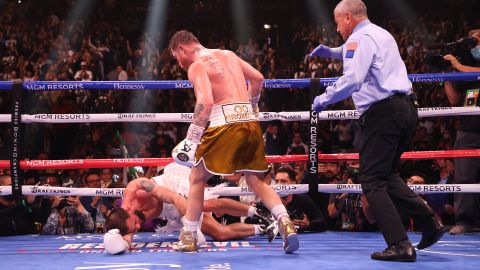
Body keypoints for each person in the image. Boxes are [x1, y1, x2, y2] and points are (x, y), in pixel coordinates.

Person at [310, 0, 444, 262]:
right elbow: (359, 51)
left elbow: (353, 79)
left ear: (348, 17)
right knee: (385, 176)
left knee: (371, 180)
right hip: (404, 111)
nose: (337, 29)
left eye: (337, 22)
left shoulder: (359, 40)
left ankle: (399, 244)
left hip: (383, 114)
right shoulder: (380, 33)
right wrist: (333, 52)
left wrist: (321, 100)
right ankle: (430, 223)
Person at [169, 30, 298, 253]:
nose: (179, 63)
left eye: (176, 57)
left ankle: (189, 236)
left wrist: (191, 139)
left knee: (197, 177)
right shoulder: (228, 54)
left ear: (182, 49)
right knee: (256, 182)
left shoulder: (197, 65)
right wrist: (253, 106)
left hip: (224, 123)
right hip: (250, 123)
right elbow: (258, 79)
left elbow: (206, 102)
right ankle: (286, 222)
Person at [103, 163, 276, 254]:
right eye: (134, 229)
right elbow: (126, 236)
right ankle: (261, 228)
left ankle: (258, 212)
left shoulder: (137, 188)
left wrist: (190, 227)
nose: (138, 227)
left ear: (129, 212)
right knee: (220, 234)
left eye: (135, 224)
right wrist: (120, 244)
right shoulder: (127, 222)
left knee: (205, 204)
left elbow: (173, 198)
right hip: (169, 211)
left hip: (173, 188)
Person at [442, 28, 480, 235]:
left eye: (478, 39)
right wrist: (446, 76)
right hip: (468, 130)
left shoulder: (467, 67)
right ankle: (464, 221)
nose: (474, 43)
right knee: (464, 177)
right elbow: (455, 100)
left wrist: (458, 65)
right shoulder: (466, 70)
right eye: (472, 39)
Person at [275, 166, 328, 232]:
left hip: (303, 240)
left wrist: (309, 224)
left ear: (293, 183)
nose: (279, 185)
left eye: (283, 181)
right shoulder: (269, 201)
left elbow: (323, 222)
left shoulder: (303, 199)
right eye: (276, 181)